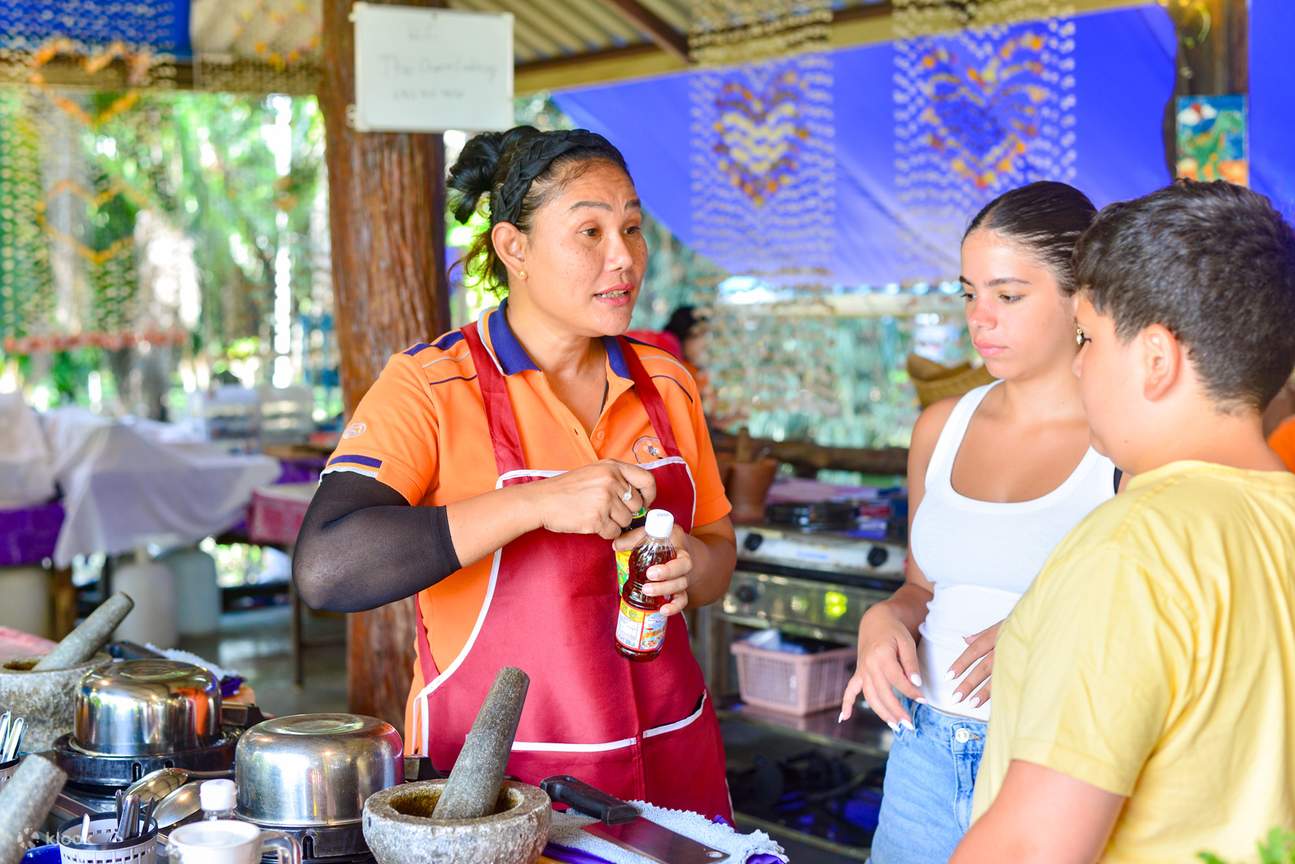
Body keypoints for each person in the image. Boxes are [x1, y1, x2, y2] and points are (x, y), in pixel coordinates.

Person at [293, 126, 736, 820]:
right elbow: (328, 566)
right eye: (588, 232)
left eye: (631, 228)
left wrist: (690, 564)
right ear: (513, 247)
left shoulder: (665, 382)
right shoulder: (433, 385)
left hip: (668, 757)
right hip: (495, 781)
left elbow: (717, 555)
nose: (622, 257)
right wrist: (538, 503)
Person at [954, 180, 1295, 863]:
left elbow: (1030, 847)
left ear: (1156, 360)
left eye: (1089, 336)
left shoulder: (1134, 545)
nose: (1078, 363)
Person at [839, 181, 1119, 863]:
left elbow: (1165, 615)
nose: (979, 319)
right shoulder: (940, 427)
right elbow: (920, 587)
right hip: (922, 750)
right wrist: (884, 620)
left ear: (1079, 295)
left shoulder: (1123, 439)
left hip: (1053, 759)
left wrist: (1043, 628)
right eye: (969, 294)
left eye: (1007, 295)